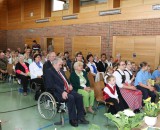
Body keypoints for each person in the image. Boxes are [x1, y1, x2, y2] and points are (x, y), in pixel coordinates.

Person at [45, 57, 89, 127]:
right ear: (55, 64)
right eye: (60, 65)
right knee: (71, 98)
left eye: (61, 65)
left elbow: (66, 80)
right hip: (56, 92)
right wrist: (62, 92)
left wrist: (70, 84)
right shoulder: (49, 71)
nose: (61, 66)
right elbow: (51, 85)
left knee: (79, 96)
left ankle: (80, 117)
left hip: (66, 89)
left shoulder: (61, 71)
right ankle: (72, 119)